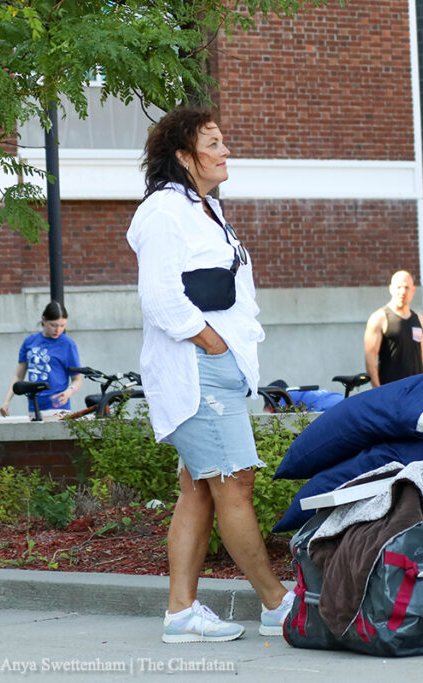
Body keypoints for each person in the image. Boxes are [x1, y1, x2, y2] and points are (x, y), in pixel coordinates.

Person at [126, 107, 292, 644]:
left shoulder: (204, 208)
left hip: (217, 367)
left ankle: (181, 613)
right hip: (197, 368)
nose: (225, 151)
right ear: (183, 156)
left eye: (224, 142)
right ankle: (276, 603)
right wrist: (210, 341)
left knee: (199, 489)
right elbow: (159, 296)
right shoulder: (164, 211)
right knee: (234, 483)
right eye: (213, 143)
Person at [0, 301, 83, 419]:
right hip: (35, 406)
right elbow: (18, 376)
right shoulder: (29, 342)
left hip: (58, 408)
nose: (58, 330)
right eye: (53, 325)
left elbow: (77, 379)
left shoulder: (68, 345)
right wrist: (6, 401)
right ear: (44, 320)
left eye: (62, 325)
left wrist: (69, 392)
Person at [363, 270, 423, 388]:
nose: (402, 292)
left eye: (406, 287)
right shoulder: (379, 318)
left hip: (416, 389)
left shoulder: (419, 320)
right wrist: (378, 391)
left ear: (413, 290)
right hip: (391, 390)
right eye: (398, 287)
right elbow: (370, 359)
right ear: (391, 289)